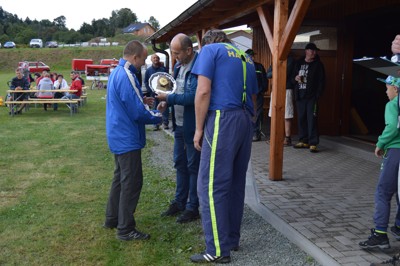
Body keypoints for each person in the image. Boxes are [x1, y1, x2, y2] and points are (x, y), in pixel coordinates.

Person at [190, 29, 258, 263]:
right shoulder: (245, 56)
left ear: (207, 41)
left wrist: (199, 129)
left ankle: (217, 249)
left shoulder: (209, 50)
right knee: (235, 184)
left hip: (223, 118)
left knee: (210, 185)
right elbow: (255, 98)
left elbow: (203, 90)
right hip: (245, 119)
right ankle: (230, 239)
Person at [103, 40, 162, 241]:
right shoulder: (127, 74)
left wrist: (142, 101)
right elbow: (137, 113)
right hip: (127, 136)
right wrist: (158, 115)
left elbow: (126, 101)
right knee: (132, 182)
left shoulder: (116, 72)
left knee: (120, 178)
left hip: (117, 134)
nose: (144, 63)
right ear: (135, 56)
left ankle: (112, 218)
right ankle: (125, 228)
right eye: (144, 59)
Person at [156, 33, 200, 224]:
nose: (174, 57)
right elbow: (174, 91)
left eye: (176, 53)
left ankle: (193, 207)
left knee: (193, 166)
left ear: (188, 50)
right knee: (179, 163)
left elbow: (193, 98)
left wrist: (168, 99)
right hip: (179, 125)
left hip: (192, 126)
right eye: (172, 53)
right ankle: (179, 202)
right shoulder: (179, 67)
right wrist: (167, 104)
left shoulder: (198, 68)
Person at [358, 76, 400, 252]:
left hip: (395, 152)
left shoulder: (392, 105)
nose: (386, 91)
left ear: (396, 89)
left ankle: (380, 234)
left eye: (387, 88)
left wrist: (380, 143)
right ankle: (398, 226)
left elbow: (392, 127)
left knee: (383, 192)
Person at [292, 42, 326, 153]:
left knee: (312, 119)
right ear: (306, 51)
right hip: (300, 96)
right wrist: (295, 78)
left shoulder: (318, 65)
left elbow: (322, 81)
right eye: (312, 50)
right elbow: (292, 77)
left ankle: (313, 143)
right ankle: (303, 140)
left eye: (315, 51)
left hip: (312, 97)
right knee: (301, 118)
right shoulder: (298, 63)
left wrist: (317, 95)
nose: (314, 52)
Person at [267, 55, 296, 146]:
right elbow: (268, 74)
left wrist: (274, 71)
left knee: (287, 114)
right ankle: (275, 137)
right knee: (274, 114)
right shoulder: (275, 58)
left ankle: (287, 138)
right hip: (275, 89)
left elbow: (284, 73)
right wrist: (276, 71)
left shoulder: (290, 59)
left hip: (287, 89)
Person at [245, 49, 268, 142]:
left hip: (258, 94)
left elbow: (265, 80)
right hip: (246, 94)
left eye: (253, 56)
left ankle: (256, 133)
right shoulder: (243, 66)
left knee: (257, 114)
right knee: (246, 113)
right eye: (250, 56)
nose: (252, 57)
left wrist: (262, 90)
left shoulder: (259, 66)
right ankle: (247, 133)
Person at [144, 53, 169, 130]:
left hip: (163, 93)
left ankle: (165, 123)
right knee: (155, 107)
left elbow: (168, 79)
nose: (155, 59)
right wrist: (150, 90)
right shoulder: (148, 71)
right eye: (154, 58)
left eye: (157, 58)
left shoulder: (163, 69)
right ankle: (156, 124)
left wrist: (166, 90)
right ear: (151, 60)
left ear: (159, 60)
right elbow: (146, 81)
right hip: (153, 93)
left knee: (164, 107)